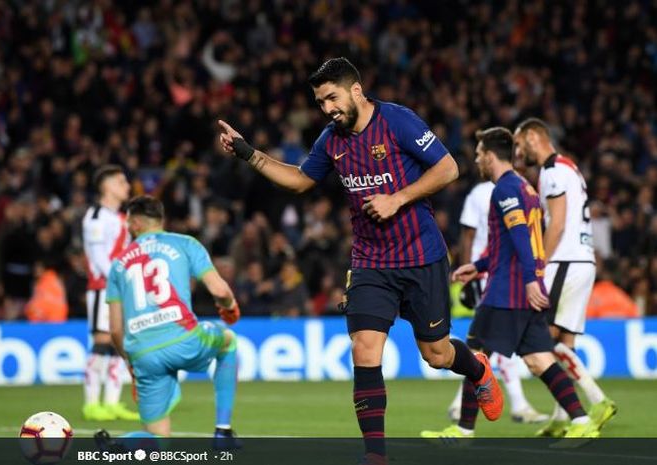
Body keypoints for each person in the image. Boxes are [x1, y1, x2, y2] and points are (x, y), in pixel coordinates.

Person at [218, 57, 503, 464]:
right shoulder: (330, 140)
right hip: (370, 261)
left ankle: (476, 370)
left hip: (422, 257)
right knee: (365, 349)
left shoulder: (398, 121)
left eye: (331, 98)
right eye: (320, 102)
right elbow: (301, 180)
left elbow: (449, 167)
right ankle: (375, 456)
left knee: (436, 355)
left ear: (355, 90)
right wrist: (248, 153)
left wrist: (398, 198)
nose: (327, 108)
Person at [421, 127, 599, 441]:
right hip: (522, 288)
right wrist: (477, 267)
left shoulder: (504, 190)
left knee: (473, 355)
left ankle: (463, 428)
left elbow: (520, 238)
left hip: (506, 291)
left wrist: (531, 280)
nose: (476, 160)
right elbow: (508, 245)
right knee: (540, 359)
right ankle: (583, 420)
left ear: (490, 156)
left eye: (478, 154)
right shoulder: (526, 188)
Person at [102, 195, 241, 446]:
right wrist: (229, 307)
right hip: (184, 338)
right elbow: (220, 291)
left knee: (159, 440)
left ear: (134, 223)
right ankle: (223, 431)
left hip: (143, 353)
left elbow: (114, 330)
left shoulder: (118, 264)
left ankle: (116, 446)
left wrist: (131, 363)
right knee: (228, 342)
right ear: (159, 219)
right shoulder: (185, 243)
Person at [514, 118, 617, 437]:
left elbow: (556, 224)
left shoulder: (552, 171)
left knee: (542, 339)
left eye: (519, 143)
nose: (518, 152)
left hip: (564, 260)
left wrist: (537, 266)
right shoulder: (569, 167)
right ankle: (563, 415)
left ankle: (597, 401)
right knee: (564, 342)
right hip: (583, 260)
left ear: (533, 137)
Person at [442, 178, 549, 425]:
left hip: (500, 273)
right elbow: (469, 234)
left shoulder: (508, 189)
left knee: (486, 345)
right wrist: (468, 276)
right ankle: (517, 405)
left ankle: (461, 406)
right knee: (489, 344)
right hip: (487, 274)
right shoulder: (509, 189)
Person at [82, 165, 139, 421]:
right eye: (121, 181)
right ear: (106, 186)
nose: (126, 186)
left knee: (119, 344)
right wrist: (120, 281)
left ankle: (112, 402)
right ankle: (92, 404)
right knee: (102, 342)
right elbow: (98, 258)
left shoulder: (120, 218)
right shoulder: (95, 216)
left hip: (121, 288)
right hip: (102, 288)